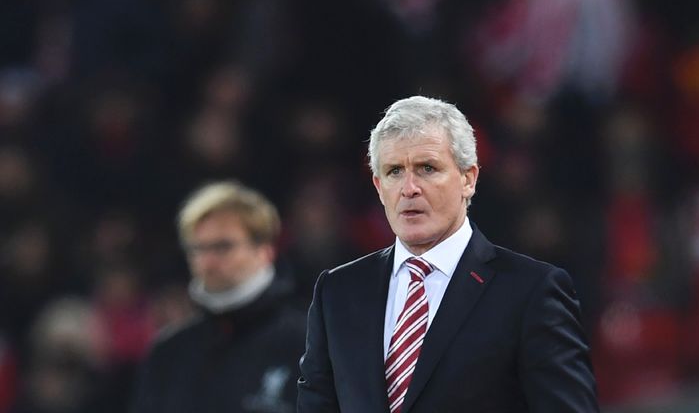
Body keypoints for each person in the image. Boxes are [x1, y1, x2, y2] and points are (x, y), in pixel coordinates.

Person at [297, 96, 599, 412]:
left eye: (427, 168)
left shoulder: (532, 291)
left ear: (468, 179)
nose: (409, 187)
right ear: (378, 185)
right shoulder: (338, 291)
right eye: (394, 171)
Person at [133, 181, 305, 413]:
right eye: (198, 248)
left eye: (223, 246)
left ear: (264, 251)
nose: (208, 261)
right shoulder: (170, 352)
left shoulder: (306, 342)